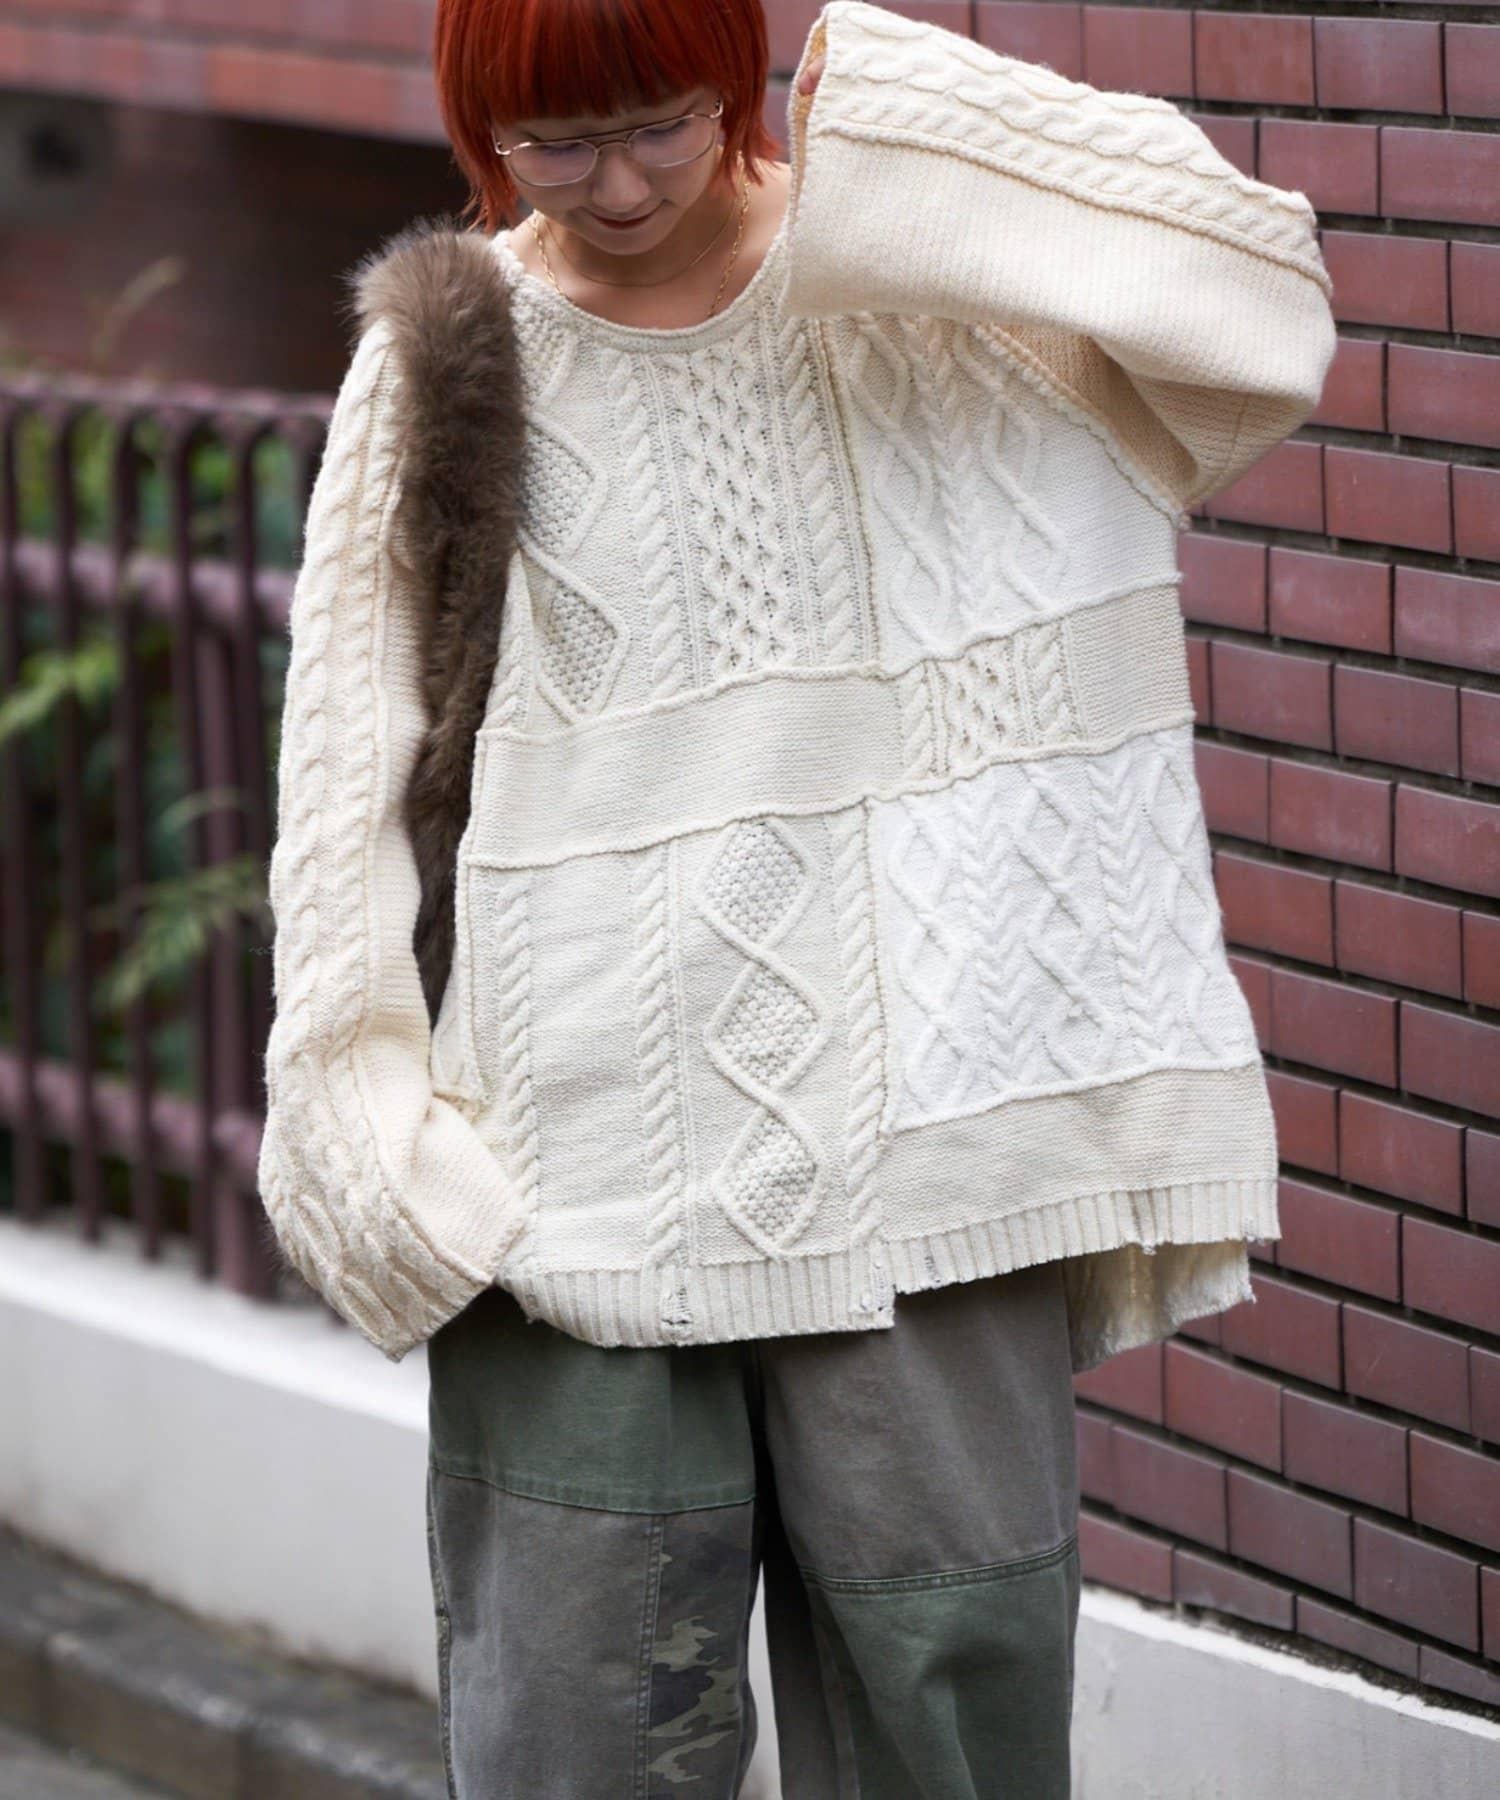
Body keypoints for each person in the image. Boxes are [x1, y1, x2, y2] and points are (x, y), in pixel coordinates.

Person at [256, 1, 1337, 1793]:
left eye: (661, 122)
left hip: (936, 1160)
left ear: (737, 76)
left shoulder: (928, 277)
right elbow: (346, 769)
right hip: (567, 1177)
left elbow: (1260, 309)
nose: (616, 186)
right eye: (553, 143)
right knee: (578, 1747)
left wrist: (900, 95)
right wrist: (364, 1115)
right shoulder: (453, 355)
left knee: (953, 1738)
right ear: (478, 127)